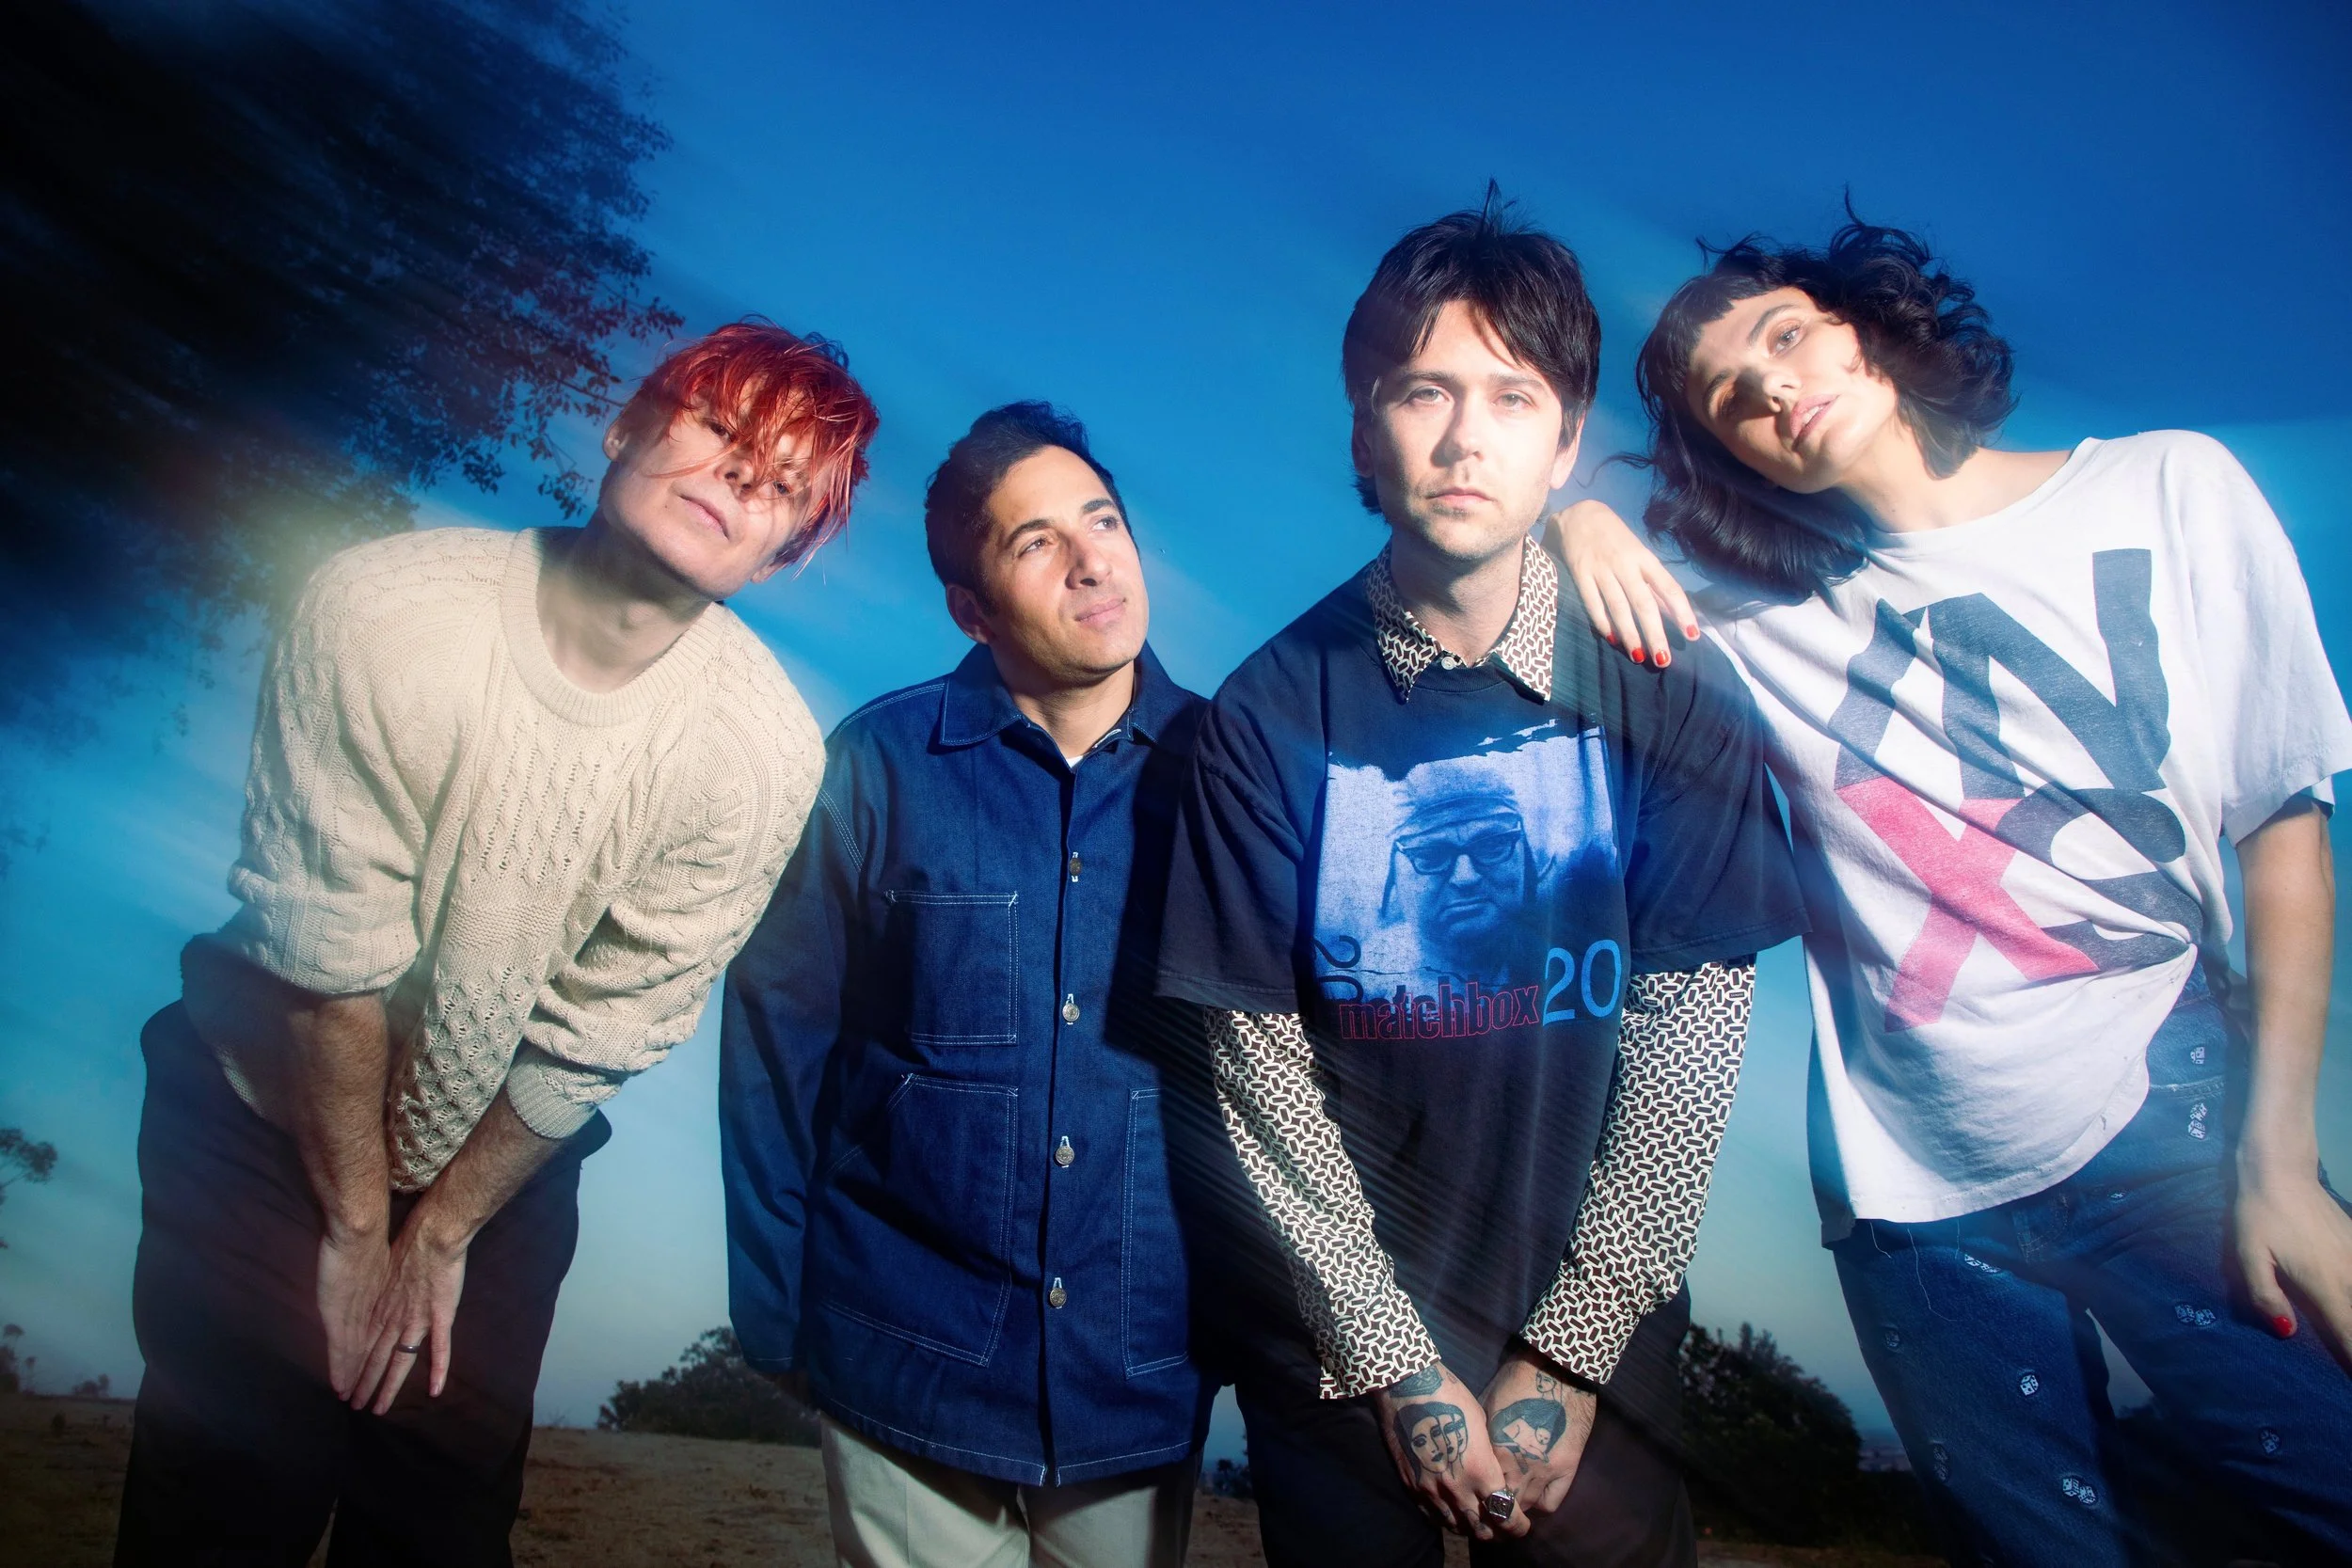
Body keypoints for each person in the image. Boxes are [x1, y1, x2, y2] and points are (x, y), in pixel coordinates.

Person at [1550, 217, 2352, 1561]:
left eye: (1784, 336)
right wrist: (1578, 519)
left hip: (2179, 1118)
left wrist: (2285, 1162)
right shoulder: (1753, 627)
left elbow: (2285, 833)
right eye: (1726, 399)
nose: (1769, 387)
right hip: (1916, 1206)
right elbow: (1500, 546)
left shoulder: (2170, 488)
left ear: (1861, 323)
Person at [117, 320, 879, 1566]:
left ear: (781, 552)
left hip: (495, 1160)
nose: (746, 478)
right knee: (223, 1494)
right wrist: (362, 1230)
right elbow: (327, 957)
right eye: (724, 428)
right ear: (626, 425)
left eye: (786, 485)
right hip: (257, 1110)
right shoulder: (383, 610)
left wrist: (443, 1230)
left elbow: (603, 1029)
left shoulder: (760, 758)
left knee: (439, 1519)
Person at [1154, 193, 1808, 1568]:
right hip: (1336, 1326)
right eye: (1423, 391)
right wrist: (1393, 1359)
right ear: (1360, 427)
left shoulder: (1668, 686)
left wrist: (1570, 1350)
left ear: (1566, 442)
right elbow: (1255, 1063)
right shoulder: (1265, 715)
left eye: (1513, 398)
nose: (1465, 437)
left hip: (1599, 1313)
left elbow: (1691, 1038)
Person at [721, 403, 1215, 1568]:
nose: (1092, 558)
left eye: (1102, 520)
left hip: (1141, 1363)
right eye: (1035, 541)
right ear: (971, 608)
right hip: (904, 1342)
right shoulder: (876, 766)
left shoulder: (1231, 772)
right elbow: (777, 1045)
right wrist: (774, 1309)